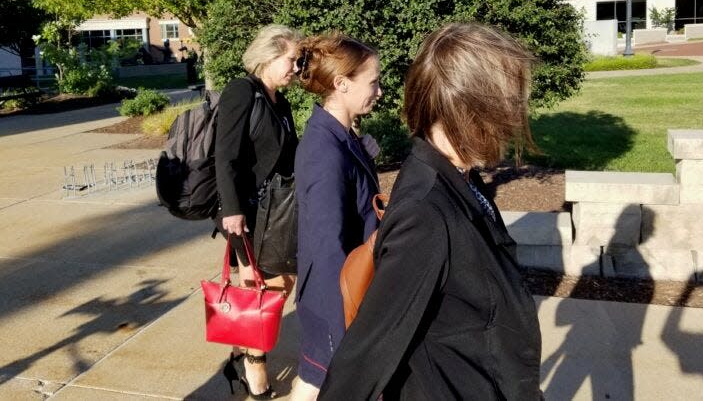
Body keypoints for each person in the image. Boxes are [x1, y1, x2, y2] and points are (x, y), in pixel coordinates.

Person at [319, 23, 543, 400]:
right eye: (507, 102)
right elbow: (367, 353)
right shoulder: (425, 213)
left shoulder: (459, 174)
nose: (515, 115)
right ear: (468, 106)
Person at [292, 33, 382, 400]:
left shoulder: (341, 136)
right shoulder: (324, 149)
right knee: (318, 383)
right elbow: (326, 244)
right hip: (336, 294)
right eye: (373, 82)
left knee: (314, 382)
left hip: (345, 288)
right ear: (342, 84)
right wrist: (344, 316)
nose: (379, 90)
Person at [214, 24, 302, 399]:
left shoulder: (278, 102)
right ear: (269, 55)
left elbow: (290, 155)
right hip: (245, 213)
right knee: (258, 294)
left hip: (273, 213)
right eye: (293, 60)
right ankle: (256, 381)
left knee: (271, 288)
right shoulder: (241, 91)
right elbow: (226, 154)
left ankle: (239, 359)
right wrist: (231, 210)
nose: (298, 68)